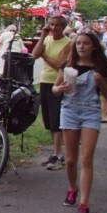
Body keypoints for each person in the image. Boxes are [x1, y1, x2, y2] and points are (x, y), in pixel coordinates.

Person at [53, 33, 107, 213]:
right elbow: (54, 89)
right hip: (69, 110)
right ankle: (73, 188)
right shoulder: (68, 65)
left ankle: (84, 204)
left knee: (86, 158)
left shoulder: (101, 68)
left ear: (93, 46)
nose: (81, 46)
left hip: (90, 112)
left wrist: (101, 82)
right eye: (78, 43)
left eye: (86, 43)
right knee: (71, 160)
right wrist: (59, 89)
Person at [32, 15, 72, 171]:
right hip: (44, 81)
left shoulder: (68, 43)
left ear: (63, 27)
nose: (54, 28)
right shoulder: (47, 39)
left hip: (58, 83)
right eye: (51, 25)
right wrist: (43, 36)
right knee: (48, 119)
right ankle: (57, 153)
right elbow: (34, 55)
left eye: (57, 25)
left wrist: (44, 55)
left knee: (56, 119)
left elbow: (59, 65)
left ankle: (57, 153)